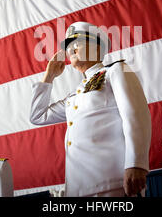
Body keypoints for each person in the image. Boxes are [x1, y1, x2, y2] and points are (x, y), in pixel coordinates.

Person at [30, 21, 152, 197]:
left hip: (112, 183)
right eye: (69, 45)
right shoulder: (75, 94)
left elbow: (135, 116)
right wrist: (48, 77)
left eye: (76, 43)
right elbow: (38, 116)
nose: (70, 49)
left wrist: (136, 163)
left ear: (96, 46)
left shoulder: (115, 71)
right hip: (78, 188)